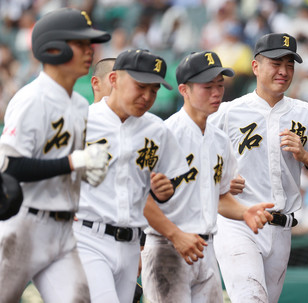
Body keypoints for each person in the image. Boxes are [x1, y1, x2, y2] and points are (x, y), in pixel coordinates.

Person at [208, 32, 308, 303]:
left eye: (289, 65)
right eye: (276, 63)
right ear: (256, 67)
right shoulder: (229, 112)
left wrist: (307, 157)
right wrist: (218, 179)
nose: (284, 71)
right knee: (250, 298)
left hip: (281, 227)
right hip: (238, 221)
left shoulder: (306, 113)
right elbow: (191, 153)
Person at [140, 50, 274, 303]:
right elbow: (140, 198)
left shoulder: (220, 140)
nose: (216, 93)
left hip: (206, 248)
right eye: (207, 86)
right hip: (168, 247)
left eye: (220, 85)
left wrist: (244, 212)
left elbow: (220, 198)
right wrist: (174, 235)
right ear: (184, 90)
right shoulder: (163, 134)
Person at [0, 8, 111, 302]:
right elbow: (10, 165)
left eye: (90, 45)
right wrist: (73, 162)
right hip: (22, 225)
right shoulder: (31, 98)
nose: (90, 52)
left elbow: (65, 165)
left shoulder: (79, 104)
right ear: (53, 48)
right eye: (81, 44)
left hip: (63, 230)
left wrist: (83, 170)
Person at [73, 48, 189, 302]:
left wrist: (163, 191)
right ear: (113, 80)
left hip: (131, 244)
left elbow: (173, 179)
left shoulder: (156, 129)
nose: (148, 96)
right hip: (87, 237)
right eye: (141, 86)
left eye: (155, 90)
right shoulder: (81, 121)